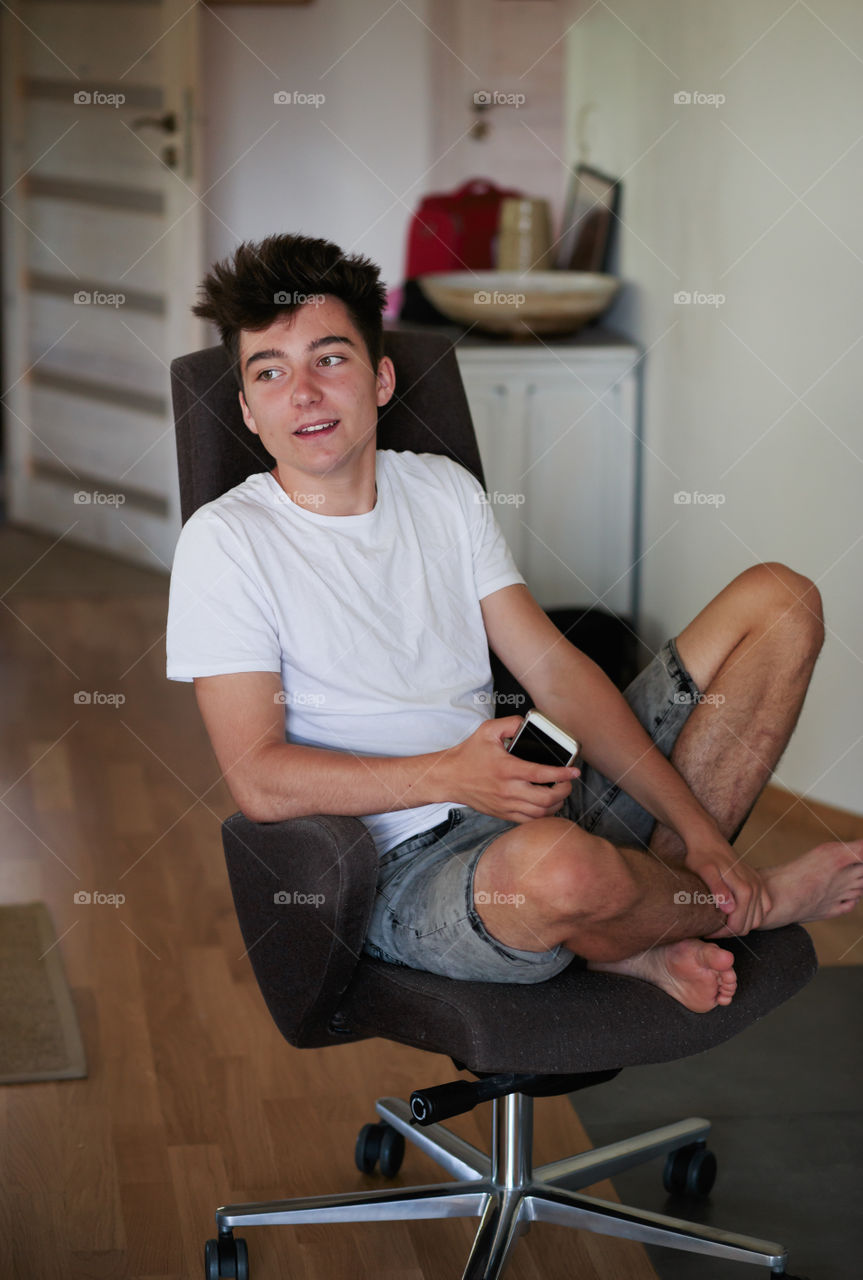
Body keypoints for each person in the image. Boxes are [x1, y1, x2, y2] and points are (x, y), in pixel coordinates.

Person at [166, 232, 863, 1013]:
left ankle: (635, 924)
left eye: (329, 358)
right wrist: (448, 774)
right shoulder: (226, 541)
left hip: (533, 794)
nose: (302, 392)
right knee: (558, 872)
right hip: (402, 870)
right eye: (270, 371)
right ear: (247, 412)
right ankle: (748, 905)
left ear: (381, 377)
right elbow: (258, 777)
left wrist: (694, 827)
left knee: (780, 601)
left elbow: (554, 674)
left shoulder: (441, 489)